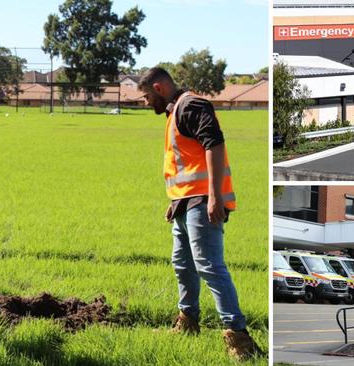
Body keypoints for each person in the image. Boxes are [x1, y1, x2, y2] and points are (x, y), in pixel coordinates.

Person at [137, 67, 263, 361]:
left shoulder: (191, 105)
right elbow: (187, 164)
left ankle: (239, 338)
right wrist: (176, 201)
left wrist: (215, 195)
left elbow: (214, 145)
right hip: (186, 202)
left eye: (145, 96)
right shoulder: (175, 111)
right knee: (182, 264)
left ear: (158, 88)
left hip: (204, 201)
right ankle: (188, 322)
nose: (144, 103)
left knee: (209, 266)